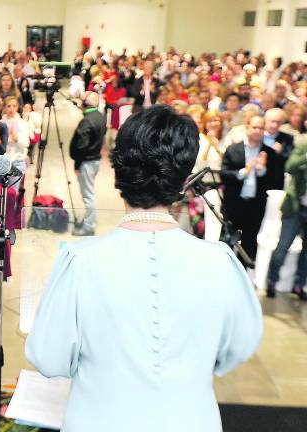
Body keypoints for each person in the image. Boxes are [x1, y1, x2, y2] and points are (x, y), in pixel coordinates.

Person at [26, 105, 262, 432]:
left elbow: (48, 357)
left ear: (118, 172)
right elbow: (240, 345)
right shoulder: (219, 262)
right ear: (183, 179)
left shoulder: (82, 262)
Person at [221, 115, 283, 262]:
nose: (257, 131)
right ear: (247, 127)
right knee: (226, 240)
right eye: (255, 127)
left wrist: (262, 171)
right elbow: (223, 174)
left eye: (261, 128)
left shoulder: (270, 153)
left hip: (256, 204)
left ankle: (243, 277)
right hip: (234, 203)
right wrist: (244, 172)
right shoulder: (233, 149)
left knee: (249, 243)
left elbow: (277, 182)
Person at [265, 134, 307, 300]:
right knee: (283, 245)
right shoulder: (304, 146)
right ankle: (271, 281)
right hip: (295, 207)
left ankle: (299, 285)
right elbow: (290, 165)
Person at [69, 92, 107, 236]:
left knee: (88, 195)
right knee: (89, 193)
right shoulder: (100, 117)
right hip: (94, 160)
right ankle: (88, 221)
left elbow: (81, 146)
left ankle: (89, 226)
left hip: (87, 162)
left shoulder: (87, 121)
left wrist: (77, 164)